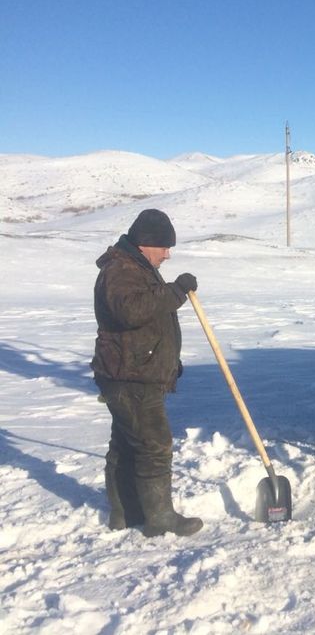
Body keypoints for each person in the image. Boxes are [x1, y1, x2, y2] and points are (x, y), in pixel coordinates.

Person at [91, 208, 203, 537]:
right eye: (164, 247)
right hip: (131, 377)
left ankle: (125, 513)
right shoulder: (121, 269)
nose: (168, 255)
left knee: (128, 444)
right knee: (154, 444)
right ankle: (159, 519)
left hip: (132, 371)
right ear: (145, 243)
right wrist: (175, 291)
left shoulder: (135, 267)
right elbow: (132, 311)